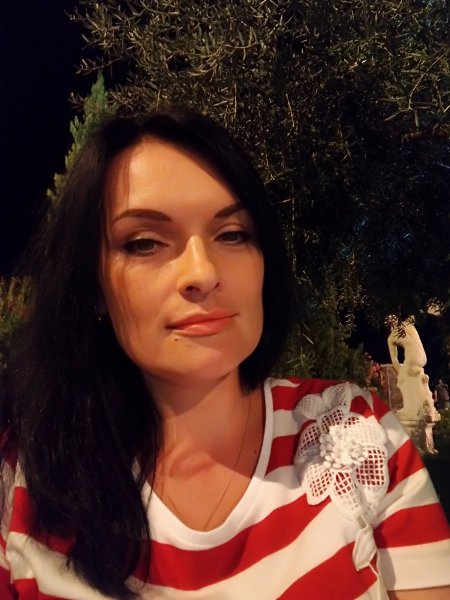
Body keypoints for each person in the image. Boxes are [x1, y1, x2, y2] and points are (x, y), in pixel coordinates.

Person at [1, 107, 449, 600]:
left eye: (232, 234)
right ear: (93, 286)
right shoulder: (24, 480)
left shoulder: (356, 437)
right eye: (145, 243)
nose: (203, 272)